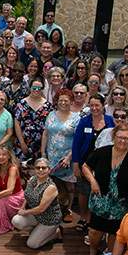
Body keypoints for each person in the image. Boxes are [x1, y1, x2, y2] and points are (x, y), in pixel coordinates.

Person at [82, 125, 128, 255]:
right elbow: (85, 167)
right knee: (94, 232)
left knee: (115, 235)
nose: (123, 141)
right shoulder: (102, 152)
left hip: (122, 205)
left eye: (127, 139)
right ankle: (93, 253)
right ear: (113, 137)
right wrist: (93, 181)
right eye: (120, 138)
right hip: (100, 201)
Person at [72, 94, 114, 233]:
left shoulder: (110, 121)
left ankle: (97, 218)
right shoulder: (84, 122)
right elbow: (76, 144)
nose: (94, 108)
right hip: (86, 164)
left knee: (100, 191)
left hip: (104, 165)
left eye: (97, 105)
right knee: (84, 191)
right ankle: (84, 217)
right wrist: (76, 163)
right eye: (92, 105)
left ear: (103, 106)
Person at [41, 89, 80, 222]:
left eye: (66, 100)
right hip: (51, 155)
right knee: (53, 183)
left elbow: (77, 140)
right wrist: (43, 153)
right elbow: (46, 133)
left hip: (67, 157)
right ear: (57, 101)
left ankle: (67, 209)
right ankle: (54, 209)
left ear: (71, 102)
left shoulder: (76, 117)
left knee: (69, 185)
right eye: (61, 100)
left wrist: (69, 157)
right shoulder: (51, 114)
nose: (63, 103)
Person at [11, 158, 63, 249]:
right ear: (34, 169)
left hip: (49, 219)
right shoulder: (32, 179)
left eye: (44, 168)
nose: (41, 170)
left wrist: (25, 212)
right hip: (36, 215)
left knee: (32, 244)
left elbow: (41, 209)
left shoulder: (51, 187)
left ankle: (56, 233)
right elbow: (27, 195)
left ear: (49, 169)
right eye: (38, 168)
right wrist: (22, 207)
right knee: (16, 221)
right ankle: (38, 232)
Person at [13, 78, 52, 160]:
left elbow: (48, 128)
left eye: (39, 88)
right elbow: (17, 124)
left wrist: (43, 149)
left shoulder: (48, 106)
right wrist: (22, 143)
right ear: (30, 88)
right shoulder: (21, 104)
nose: (36, 90)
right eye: (34, 88)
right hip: (23, 144)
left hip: (40, 146)